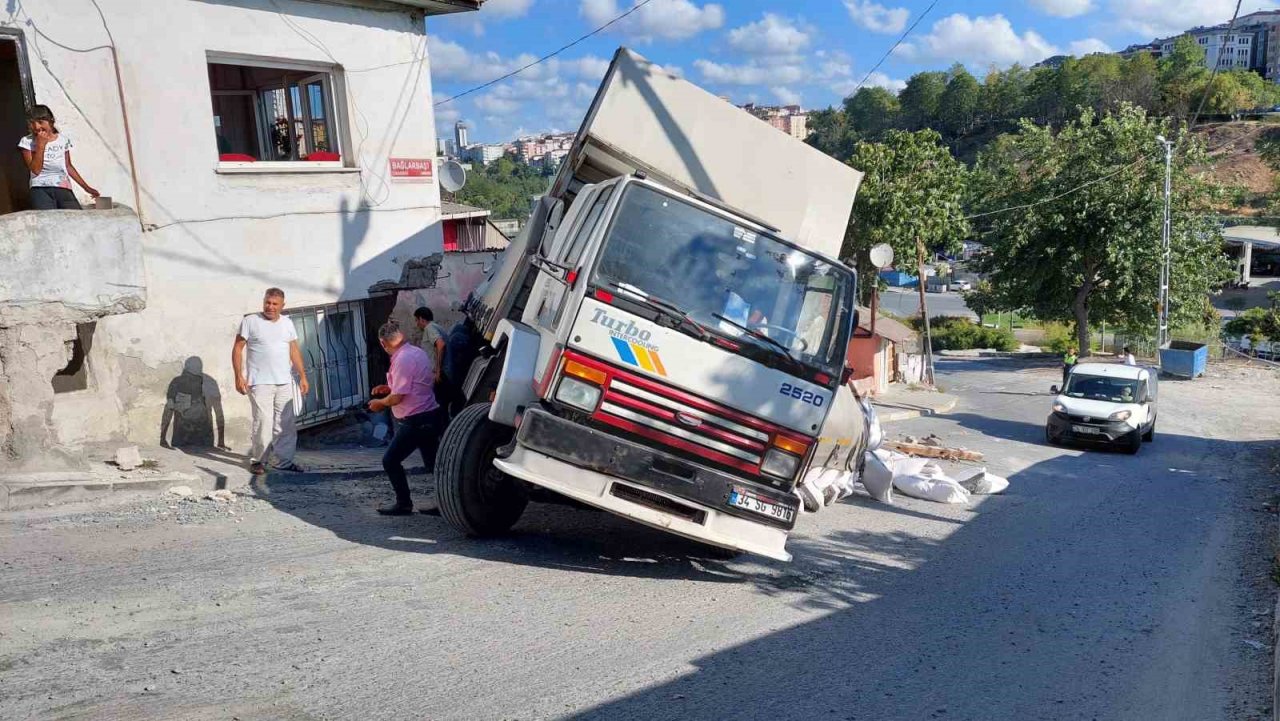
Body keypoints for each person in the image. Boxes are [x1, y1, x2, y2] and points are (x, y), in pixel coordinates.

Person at [370, 320, 448, 515]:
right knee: (434, 464)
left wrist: (379, 403)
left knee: (390, 460)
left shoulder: (402, 359)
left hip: (416, 419)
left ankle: (404, 503)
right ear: (401, 335)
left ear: (383, 343)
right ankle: (446, 504)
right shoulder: (416, 352)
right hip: (430, 415)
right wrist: (388, 388)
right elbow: (415, 383)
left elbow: (397, 397)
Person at [232, 288, 309, 474]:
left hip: (284, 381)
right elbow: (237, 348)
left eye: (275, 304)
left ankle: (284, 462)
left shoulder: (287, 323)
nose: (270, 307)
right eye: (268, 302)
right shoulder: (250, 321)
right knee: (263, 422)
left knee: (286, 424)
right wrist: (238, 376)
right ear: (263, 302)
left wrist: (303, 376)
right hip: (259, 382)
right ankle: (258, 461)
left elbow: (294, 350)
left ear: (283, 305)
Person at [18, 105, 98, 210]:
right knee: (49, 221)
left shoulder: (62, 140)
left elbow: (68, 166)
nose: (37, 127)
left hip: (63, 187)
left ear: (51, 121)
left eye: (41, 122)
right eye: (32, 123)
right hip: (40, 189)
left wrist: (86, 187)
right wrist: (40, 146)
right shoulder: (27, 142)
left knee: (75, 218)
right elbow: (36, 170)